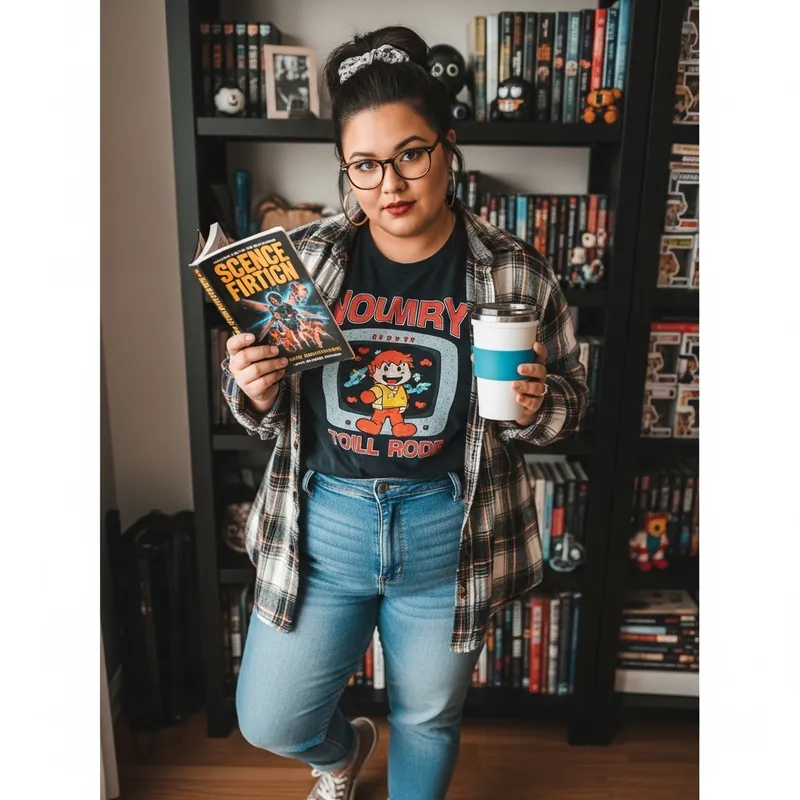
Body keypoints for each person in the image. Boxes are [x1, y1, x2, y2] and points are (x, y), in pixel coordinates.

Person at [222, 25, 589, 800]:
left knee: (428, 717)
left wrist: (532, 406)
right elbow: (261, 410)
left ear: (448, 147)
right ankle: (338, 755)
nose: (390, 183)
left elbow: (568, 406)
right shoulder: (308, 260)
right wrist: (250, 388)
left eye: (410, 154)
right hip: (324, 525)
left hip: (447, 532)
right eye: (364, 164)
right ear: (345, 170)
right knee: (269, 721)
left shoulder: (515, 269)